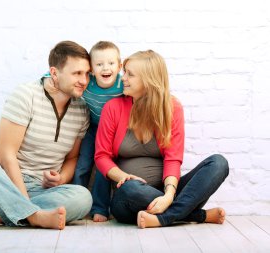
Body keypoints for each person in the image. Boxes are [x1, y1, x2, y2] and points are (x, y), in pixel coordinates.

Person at [0, 41, 93, 230]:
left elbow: (72, 157)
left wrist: (61, 178)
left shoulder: (81, 110)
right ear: (54, 73)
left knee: (83, 198)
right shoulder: (25, 95)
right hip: (1, 186)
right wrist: (23, 201)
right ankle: (33, 216)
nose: (84, 80)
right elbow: (6, 155)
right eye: (77, 73)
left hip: (42, 191)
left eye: (87, 74)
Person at [94, 50, 229, 228]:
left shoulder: (172, 108)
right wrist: (124, 177)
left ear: (148, 80)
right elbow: (101, 156)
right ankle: (195, 215)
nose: (123, 78)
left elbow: (173, 158)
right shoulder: (113, 108)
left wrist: (168, 196)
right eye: (124, 72)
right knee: (131, 188)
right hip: (129, 197)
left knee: (218, 163)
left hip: (167, 192)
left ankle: (163, 217)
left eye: (130, 74)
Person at [43, 41, 123, 222]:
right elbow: (55, 73)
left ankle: (100, 208)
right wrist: (46, 79)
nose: (106, 68)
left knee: (104, 169)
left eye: (111, 63)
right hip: (93, 129)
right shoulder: (87, 84)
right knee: (82, 165)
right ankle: (76, 201)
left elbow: (141, 87)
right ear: (91, 70)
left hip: (113, 133)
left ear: (119, 66)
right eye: (99, 64)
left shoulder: (122, 85)